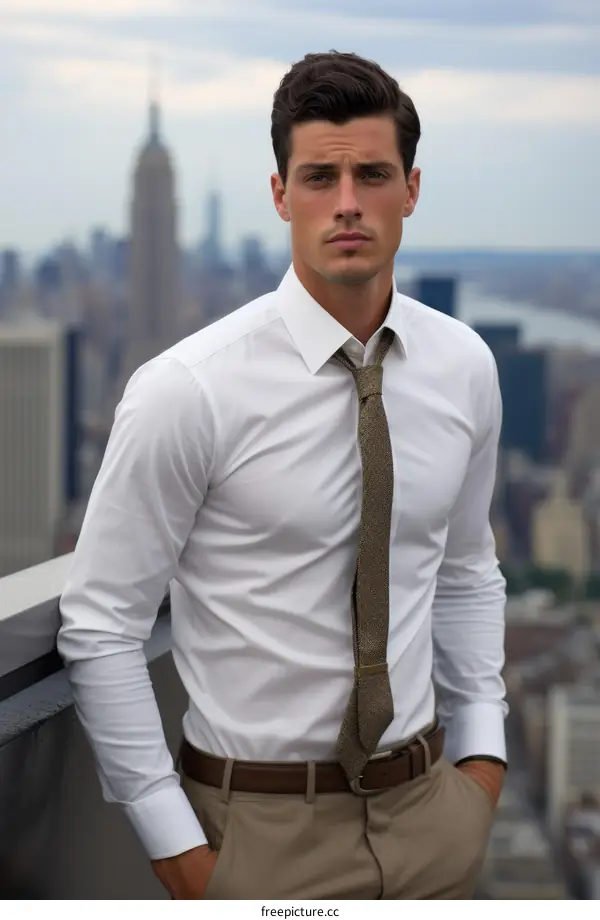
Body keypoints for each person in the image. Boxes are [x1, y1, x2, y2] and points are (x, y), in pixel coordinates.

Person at [57, 50, 508, 900]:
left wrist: (482, 762)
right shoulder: (185, 391)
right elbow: (102, 624)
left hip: (433, 818)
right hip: (257, 835)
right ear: (279, 195)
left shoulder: (464, 367)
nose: (346, 203)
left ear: (411, 189)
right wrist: (186, 856)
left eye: (372, 174)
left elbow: (466, 569)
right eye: (318, 177)